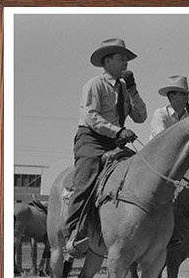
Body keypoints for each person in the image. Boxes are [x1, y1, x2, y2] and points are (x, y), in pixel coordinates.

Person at [63, 37, 147, 256]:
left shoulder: (125, 88)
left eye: (127, 59)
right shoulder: (94, 85)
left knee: (143, 173)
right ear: (107, 61)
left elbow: (140, 117)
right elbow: (91, 116)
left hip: (116, 141)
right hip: (91, 139)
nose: (126, 63)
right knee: (87, 178)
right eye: (122, 58)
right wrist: (118, 130)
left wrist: (134, 90)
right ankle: (73, 232)